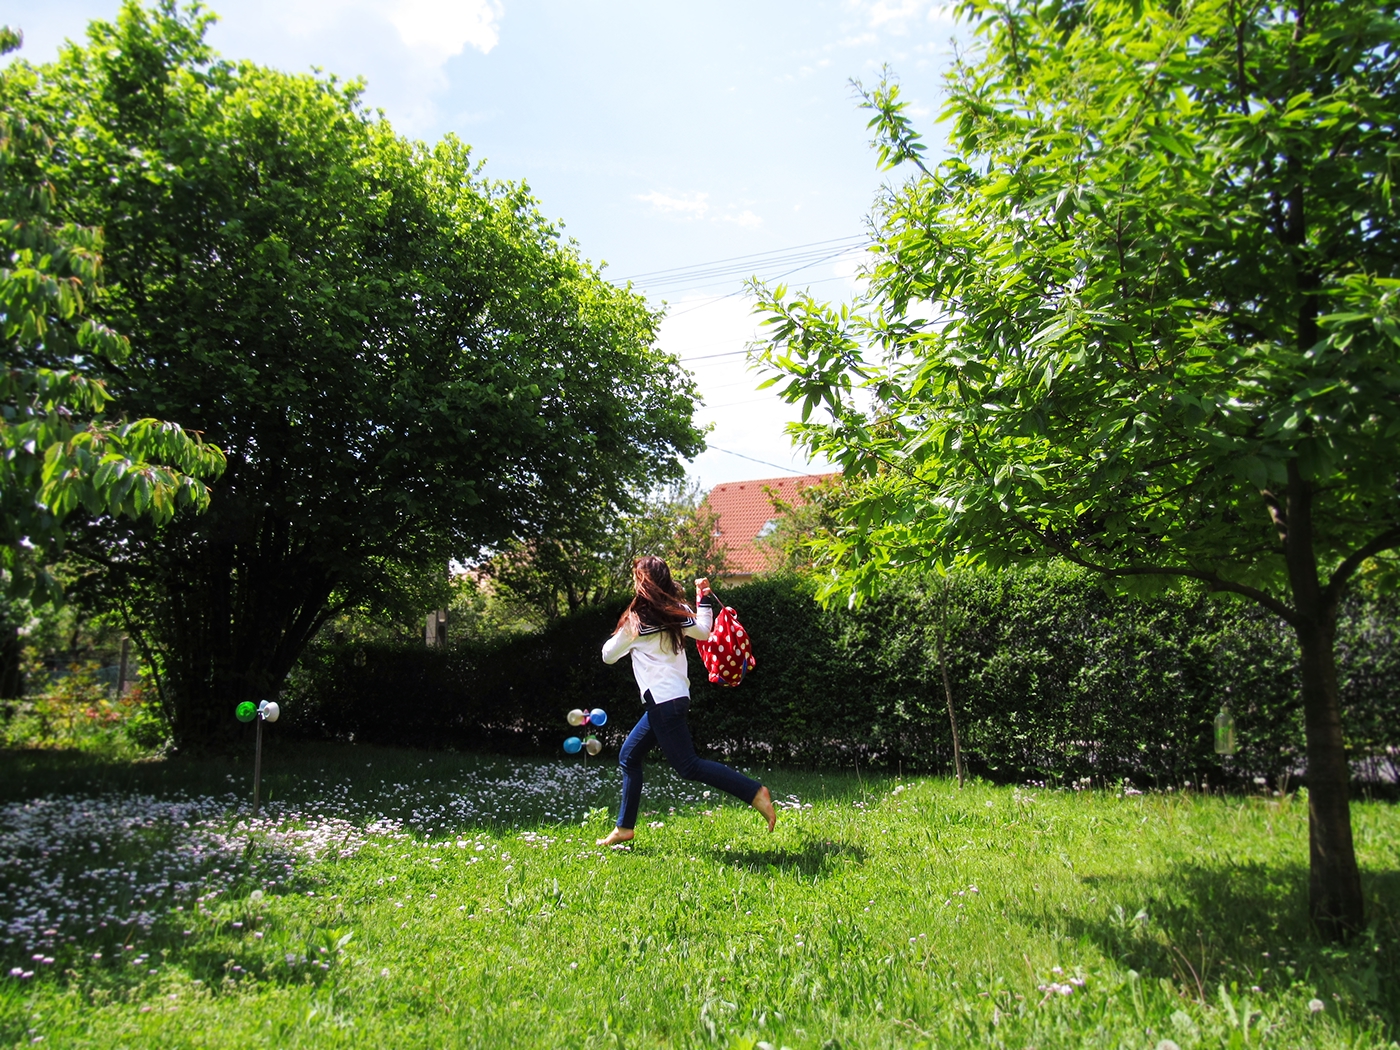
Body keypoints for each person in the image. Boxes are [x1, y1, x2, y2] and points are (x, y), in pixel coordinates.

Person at [596, 556, 776, 847]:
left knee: (689, 766)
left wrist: (626, 632)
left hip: (663, 703)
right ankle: (624, 828)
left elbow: (607, 655)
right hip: (675, 698)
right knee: (629, 756)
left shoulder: (636, 622)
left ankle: (755, 792)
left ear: (642, 583)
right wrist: (703, 598)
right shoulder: (677, 611)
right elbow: (704, 631)